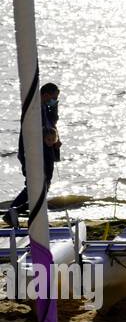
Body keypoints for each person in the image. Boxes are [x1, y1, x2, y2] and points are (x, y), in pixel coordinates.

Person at [8, 82, 61, 225]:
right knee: (36, 185)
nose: (55, 100)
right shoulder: (34, 107)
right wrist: (50, 139)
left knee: (41, 185)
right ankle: (18, 212)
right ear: (45, 95)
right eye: (53, 97)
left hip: (45, 150)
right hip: (33, 152)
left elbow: (52, 123)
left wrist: (54, 107)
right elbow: (37, 131)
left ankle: (23, 214)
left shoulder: (45, 107)